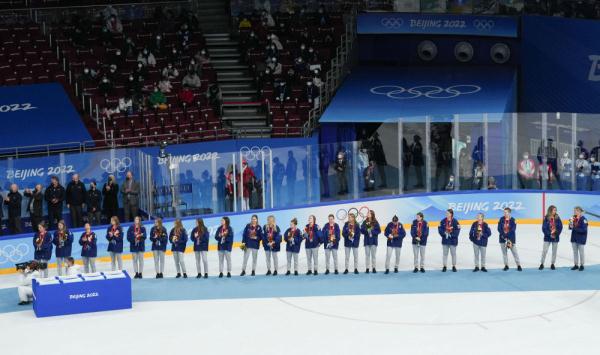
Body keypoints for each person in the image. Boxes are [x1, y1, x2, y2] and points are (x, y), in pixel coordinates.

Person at [539, 205, 563, 270]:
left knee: (554, 251)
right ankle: (542, 263)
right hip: (547, 237)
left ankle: (552, 263)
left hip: (555, 237)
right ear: (550, 210)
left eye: (556, 210)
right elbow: (544, 228)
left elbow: (560, 227)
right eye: (554, 210)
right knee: (545, 251)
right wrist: (549, 234)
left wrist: (556, 233)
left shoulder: (557, 218)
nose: (555, 211)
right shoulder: (546, 218)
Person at [569, 206, 587, 271]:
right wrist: (570, 223)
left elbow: (584, 230)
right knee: (575, 252)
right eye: (574, 211)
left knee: (581, 253)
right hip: (574, 238)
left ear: (579, 211)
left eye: (575, 211)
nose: (574, 212)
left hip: (581, 239)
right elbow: (570, 228)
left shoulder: (584, 219)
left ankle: (582, 265)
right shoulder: (573, 218)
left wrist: (575, 228)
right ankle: (576, 265)